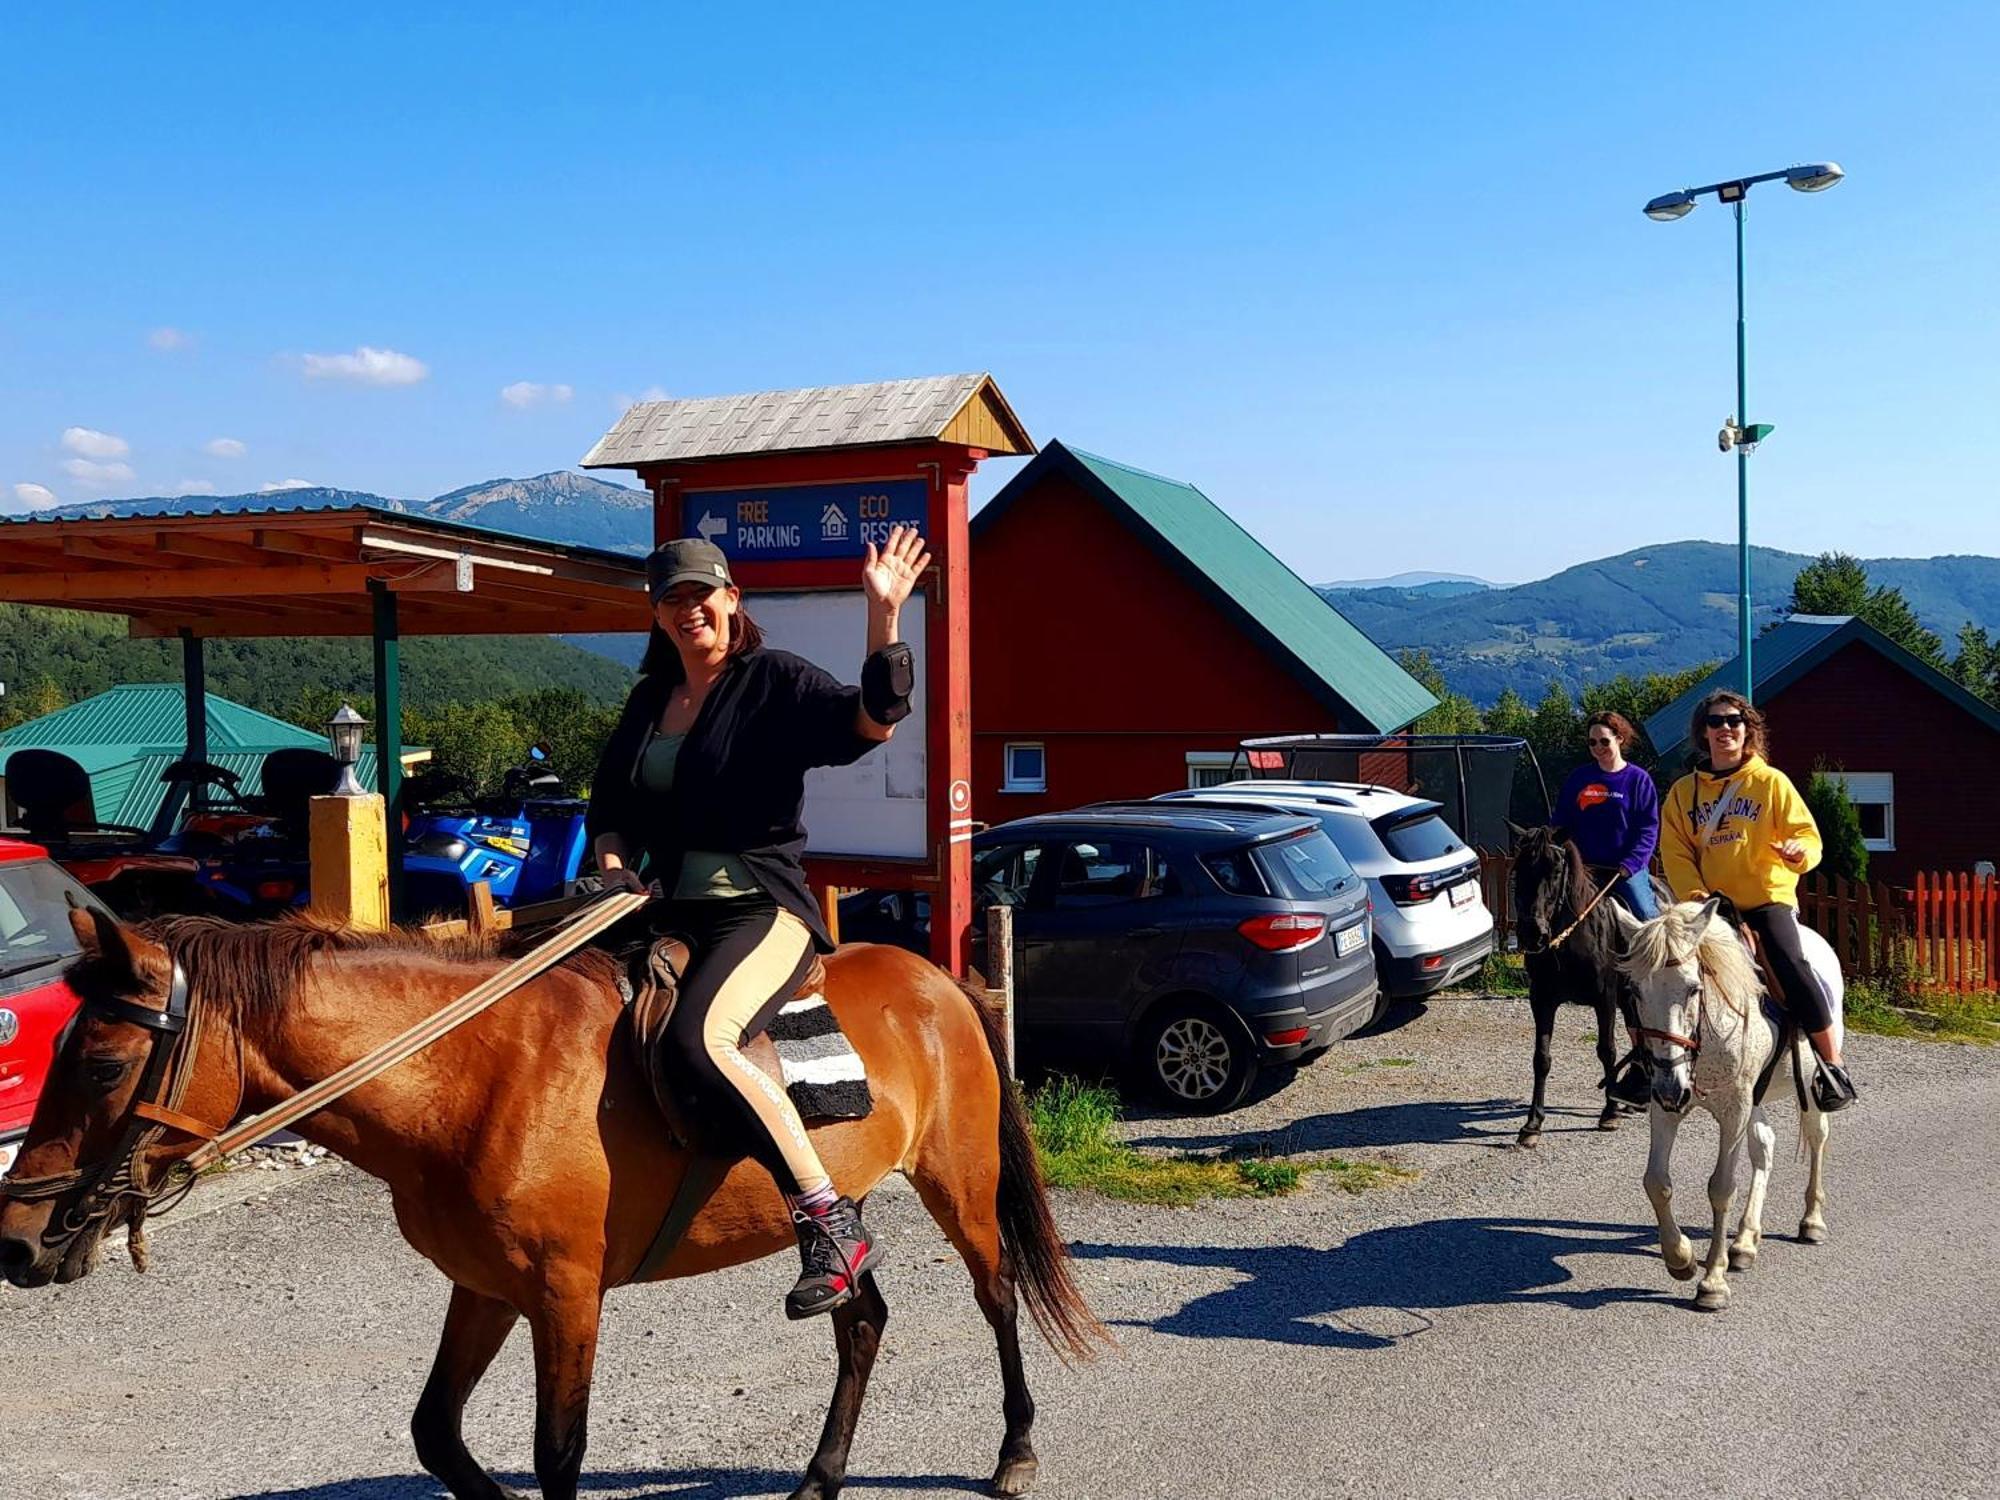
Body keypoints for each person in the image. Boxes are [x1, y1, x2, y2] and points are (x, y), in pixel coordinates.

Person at [586, 525, 928, 1316]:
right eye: (670, 600)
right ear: (659, 617)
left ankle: (827, 1217)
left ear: (730, 600)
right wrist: (612, 864)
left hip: (761, 908)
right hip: (663, 910)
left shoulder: (770, 681)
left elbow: (870, 720)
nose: (686, 611)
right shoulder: (649, 701)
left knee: (699, 1037)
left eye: (699, 595)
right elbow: (611, 807)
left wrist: (884, 619)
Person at [1659, 689, 1857, 1111]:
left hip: (1766, 900)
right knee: (1660, 970)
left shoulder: (1771, 783)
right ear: (1703, 732)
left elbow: (1807, 835)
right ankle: (1651, 1064)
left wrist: (1799, 854)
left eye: (1733, 721)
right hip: (1709, 906)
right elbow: (1674, 852)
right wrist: (1697, 900)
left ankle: (1832, 1066)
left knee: (1791, 962)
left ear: (1748, 730)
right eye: (1715, 722)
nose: (1725, 729)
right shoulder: (1682, 793)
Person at [1552, 711, 1661, 920]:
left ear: (1619, 739)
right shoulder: (1579, 778)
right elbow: (1560, 821)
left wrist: (1632, 864)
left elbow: (1648, 829)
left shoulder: (1638, 780)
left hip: (1624, 870)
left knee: (1646, 915)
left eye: (1604, 741)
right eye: (1592, 743)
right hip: (1582, 869)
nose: (1598, 748)